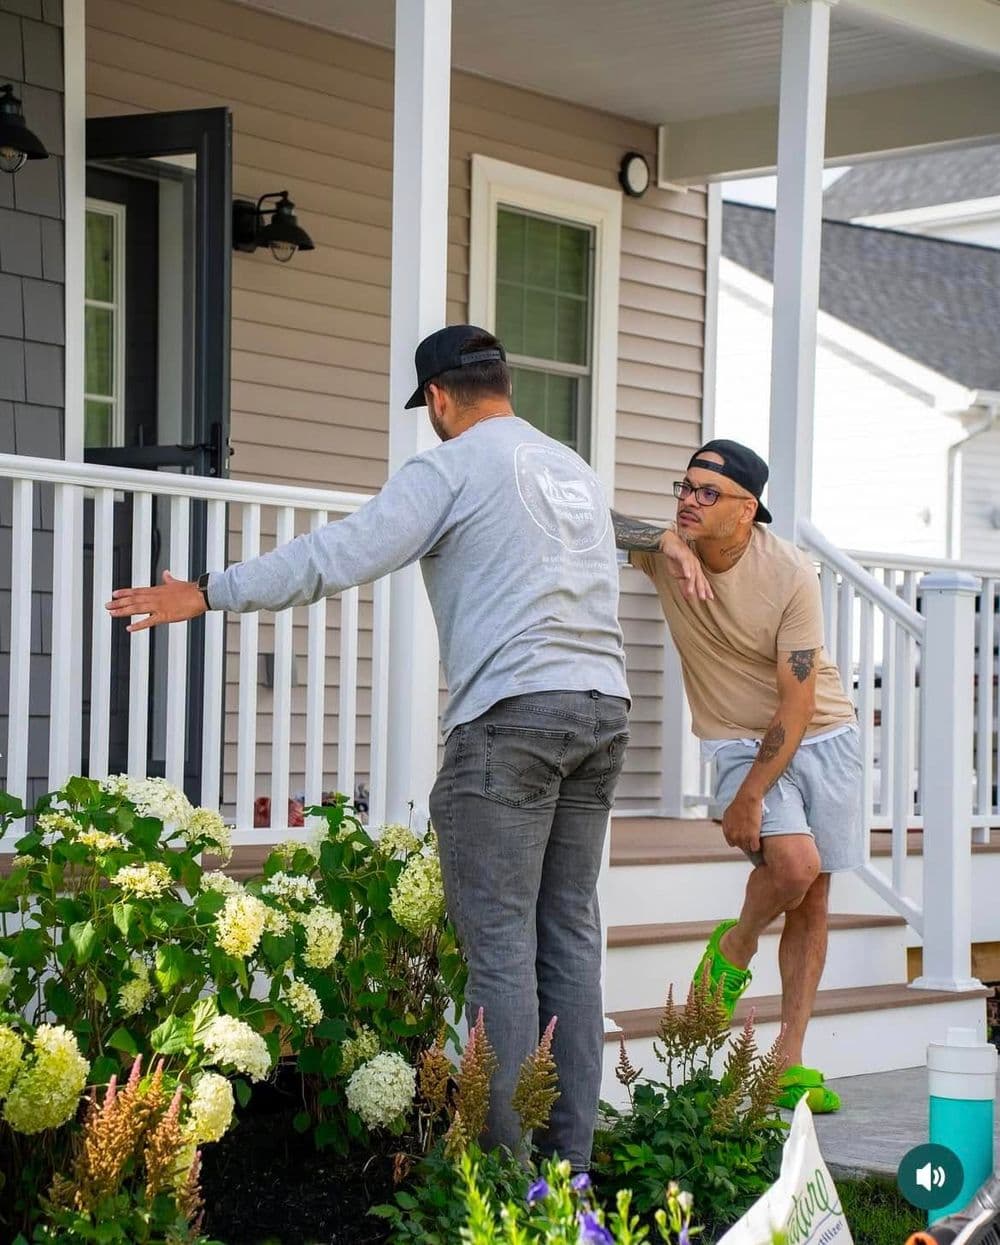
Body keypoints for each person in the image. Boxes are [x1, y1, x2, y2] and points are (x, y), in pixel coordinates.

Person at [106, 325, 632, 1169]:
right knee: (568, 937)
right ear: (503, 382)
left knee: (499, 948)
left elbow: (342, 553)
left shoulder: (452, 465)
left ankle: (506, 1178)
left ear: (438, 398)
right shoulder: (568, 466)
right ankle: (569, 1171)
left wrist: (209, 591)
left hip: (513, 721)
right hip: (603, 708)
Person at [611, 439, 864, 1114]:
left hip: (819, 732)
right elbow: (590, 519)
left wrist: (753, 793)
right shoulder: (670, 549)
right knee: (793, 864)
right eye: (684, 488)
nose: (688, 501)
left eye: (706, 493)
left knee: (812, 895)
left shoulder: (789, 573)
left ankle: (787, 1058)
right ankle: (739, 942)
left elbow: (800, 697)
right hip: (731, 735)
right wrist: (662, 542)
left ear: (747, 509)